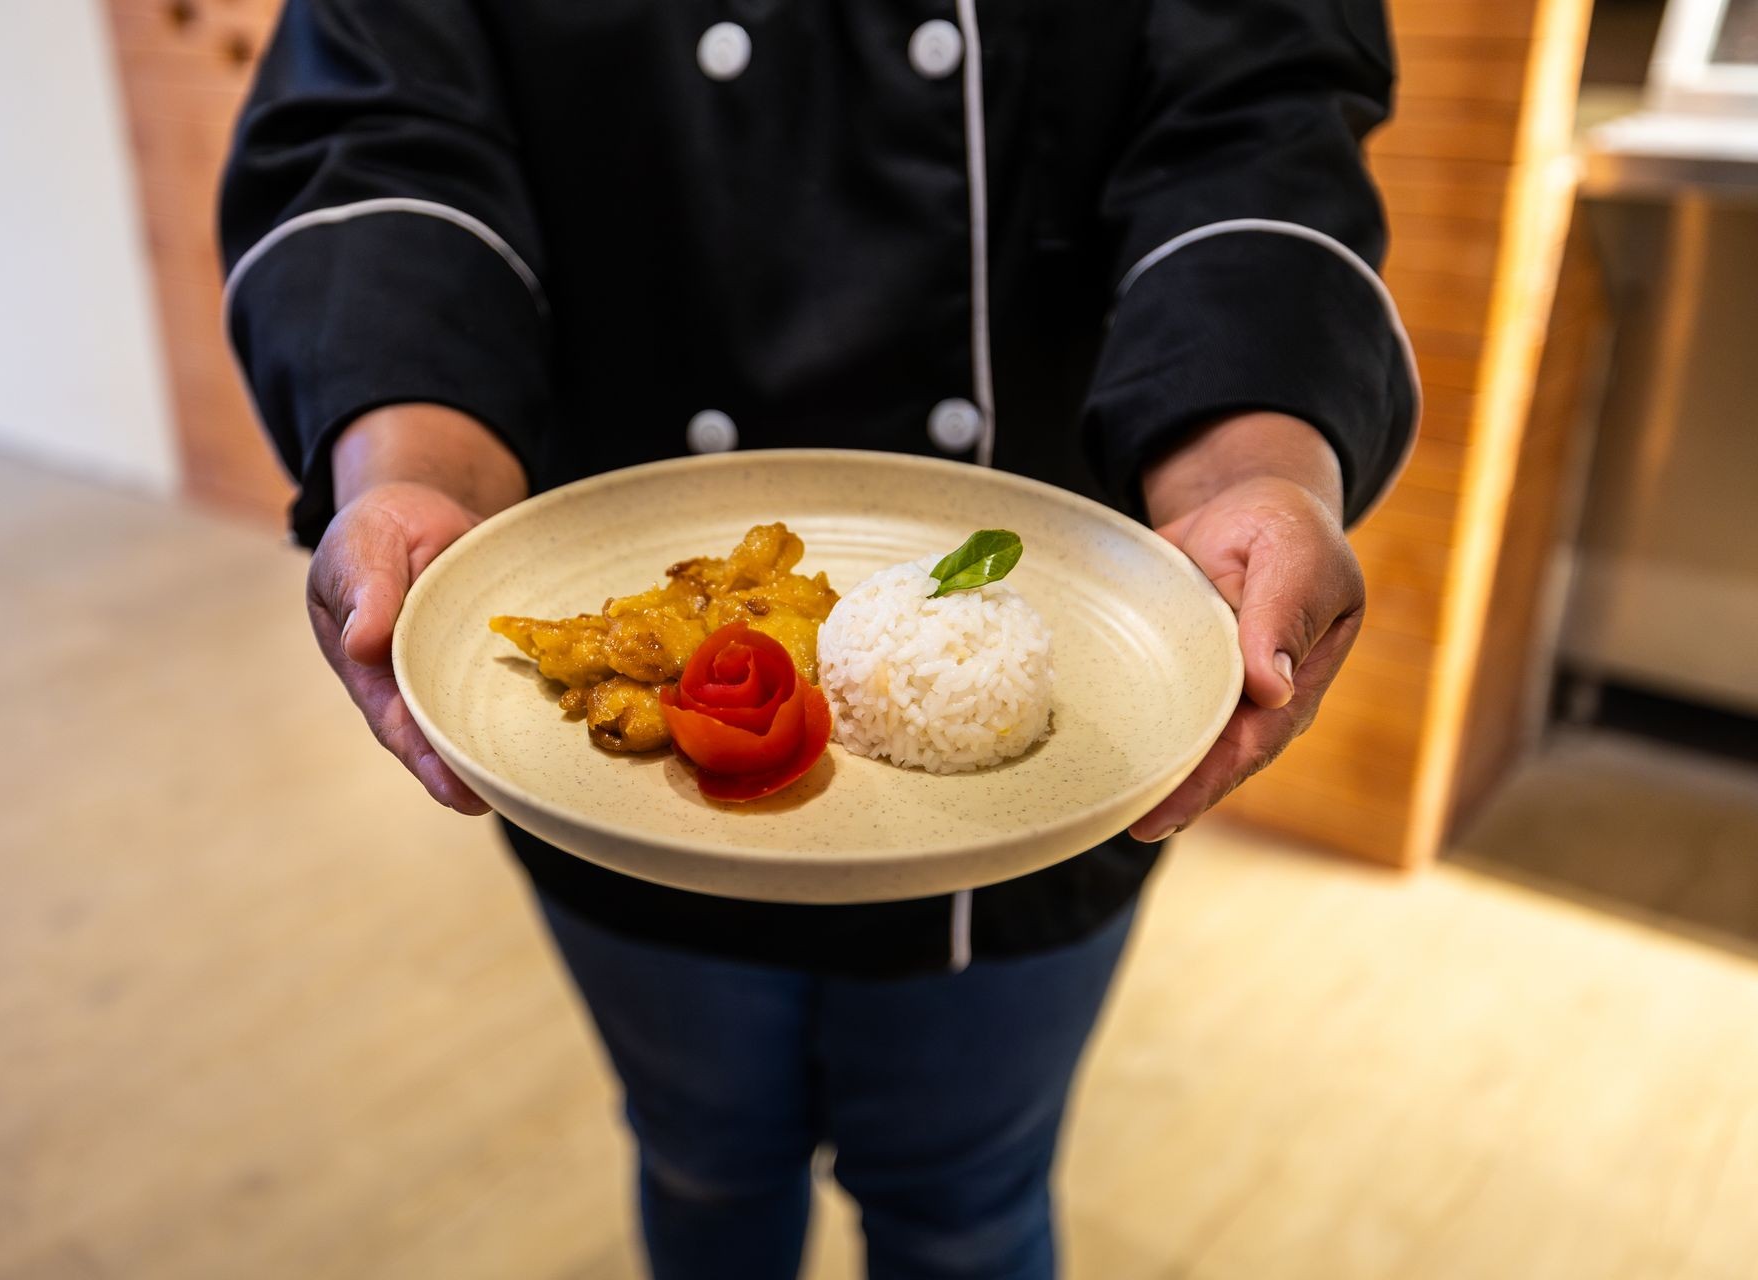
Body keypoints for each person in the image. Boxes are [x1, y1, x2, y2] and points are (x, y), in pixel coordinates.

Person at [220, 2, 1417, 1275]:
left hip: (1050, 679)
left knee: (966, 1203)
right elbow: (379, 126)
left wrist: (1254, 467)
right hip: (610, 724)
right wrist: (412, 468)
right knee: (698, 1159)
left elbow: (1252, 120)